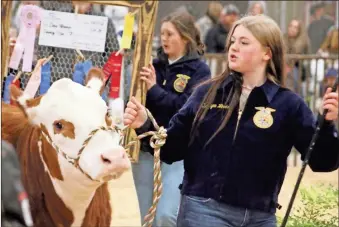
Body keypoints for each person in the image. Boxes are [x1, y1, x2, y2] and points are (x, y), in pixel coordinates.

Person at [124, 14, 339, 227]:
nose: (234, 47)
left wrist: (327, 124)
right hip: (203, 210)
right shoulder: (206, 94)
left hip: (261, 217)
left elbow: (322, 161)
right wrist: (145, 124)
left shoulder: (289, 104)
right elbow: (172, 149)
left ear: (267, 53)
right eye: (233, 41)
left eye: (244, 42)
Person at [131, 11, 211, 227]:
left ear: (185, 37)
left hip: (178, 152)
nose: (163, 38)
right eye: (162, 34)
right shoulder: (152, 67)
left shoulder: (200, 71)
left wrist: (155, 90)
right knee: (147, 219)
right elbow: (137, 102)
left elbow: (186, 108)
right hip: (147, 148)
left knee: (166, 216)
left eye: (169, 34)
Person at [283, 19, 311, 95]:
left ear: (299, 30)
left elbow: (297, 56)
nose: (292, 29)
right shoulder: (283, 38)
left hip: (299, 69)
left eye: (295, 27)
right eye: (291, 26)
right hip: (284, 68)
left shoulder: (302, 39)